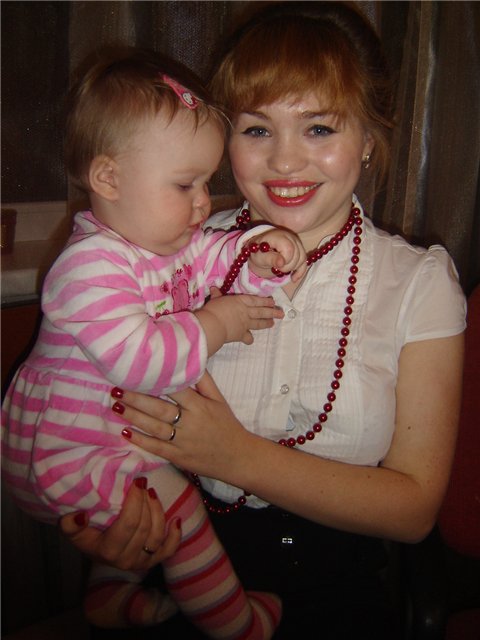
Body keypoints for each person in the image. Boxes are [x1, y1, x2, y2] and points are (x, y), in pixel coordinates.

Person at [59, 3, 467, 638]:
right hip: (177, 574)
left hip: (335, 597)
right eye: (256, 129)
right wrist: (116, 527)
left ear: (368, 138)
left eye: (319, 128)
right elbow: (105, 406)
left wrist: (235, 457)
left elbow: (414, 510)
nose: (285, 162)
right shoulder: (165, 256)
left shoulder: (420, 283)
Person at [1, 46, 313, 639]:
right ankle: (233, 622)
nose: (204, 202)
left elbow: (218, 260)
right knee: (179, 510)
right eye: (185, 184)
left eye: (207, 182)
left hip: (115, 433)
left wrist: (258, 253)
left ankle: (108, 595)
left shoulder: (165, 241)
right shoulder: (87, 266)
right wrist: (217, 323)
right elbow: (143, 362)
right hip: (70, 447)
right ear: (108, 179)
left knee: (145, 513)